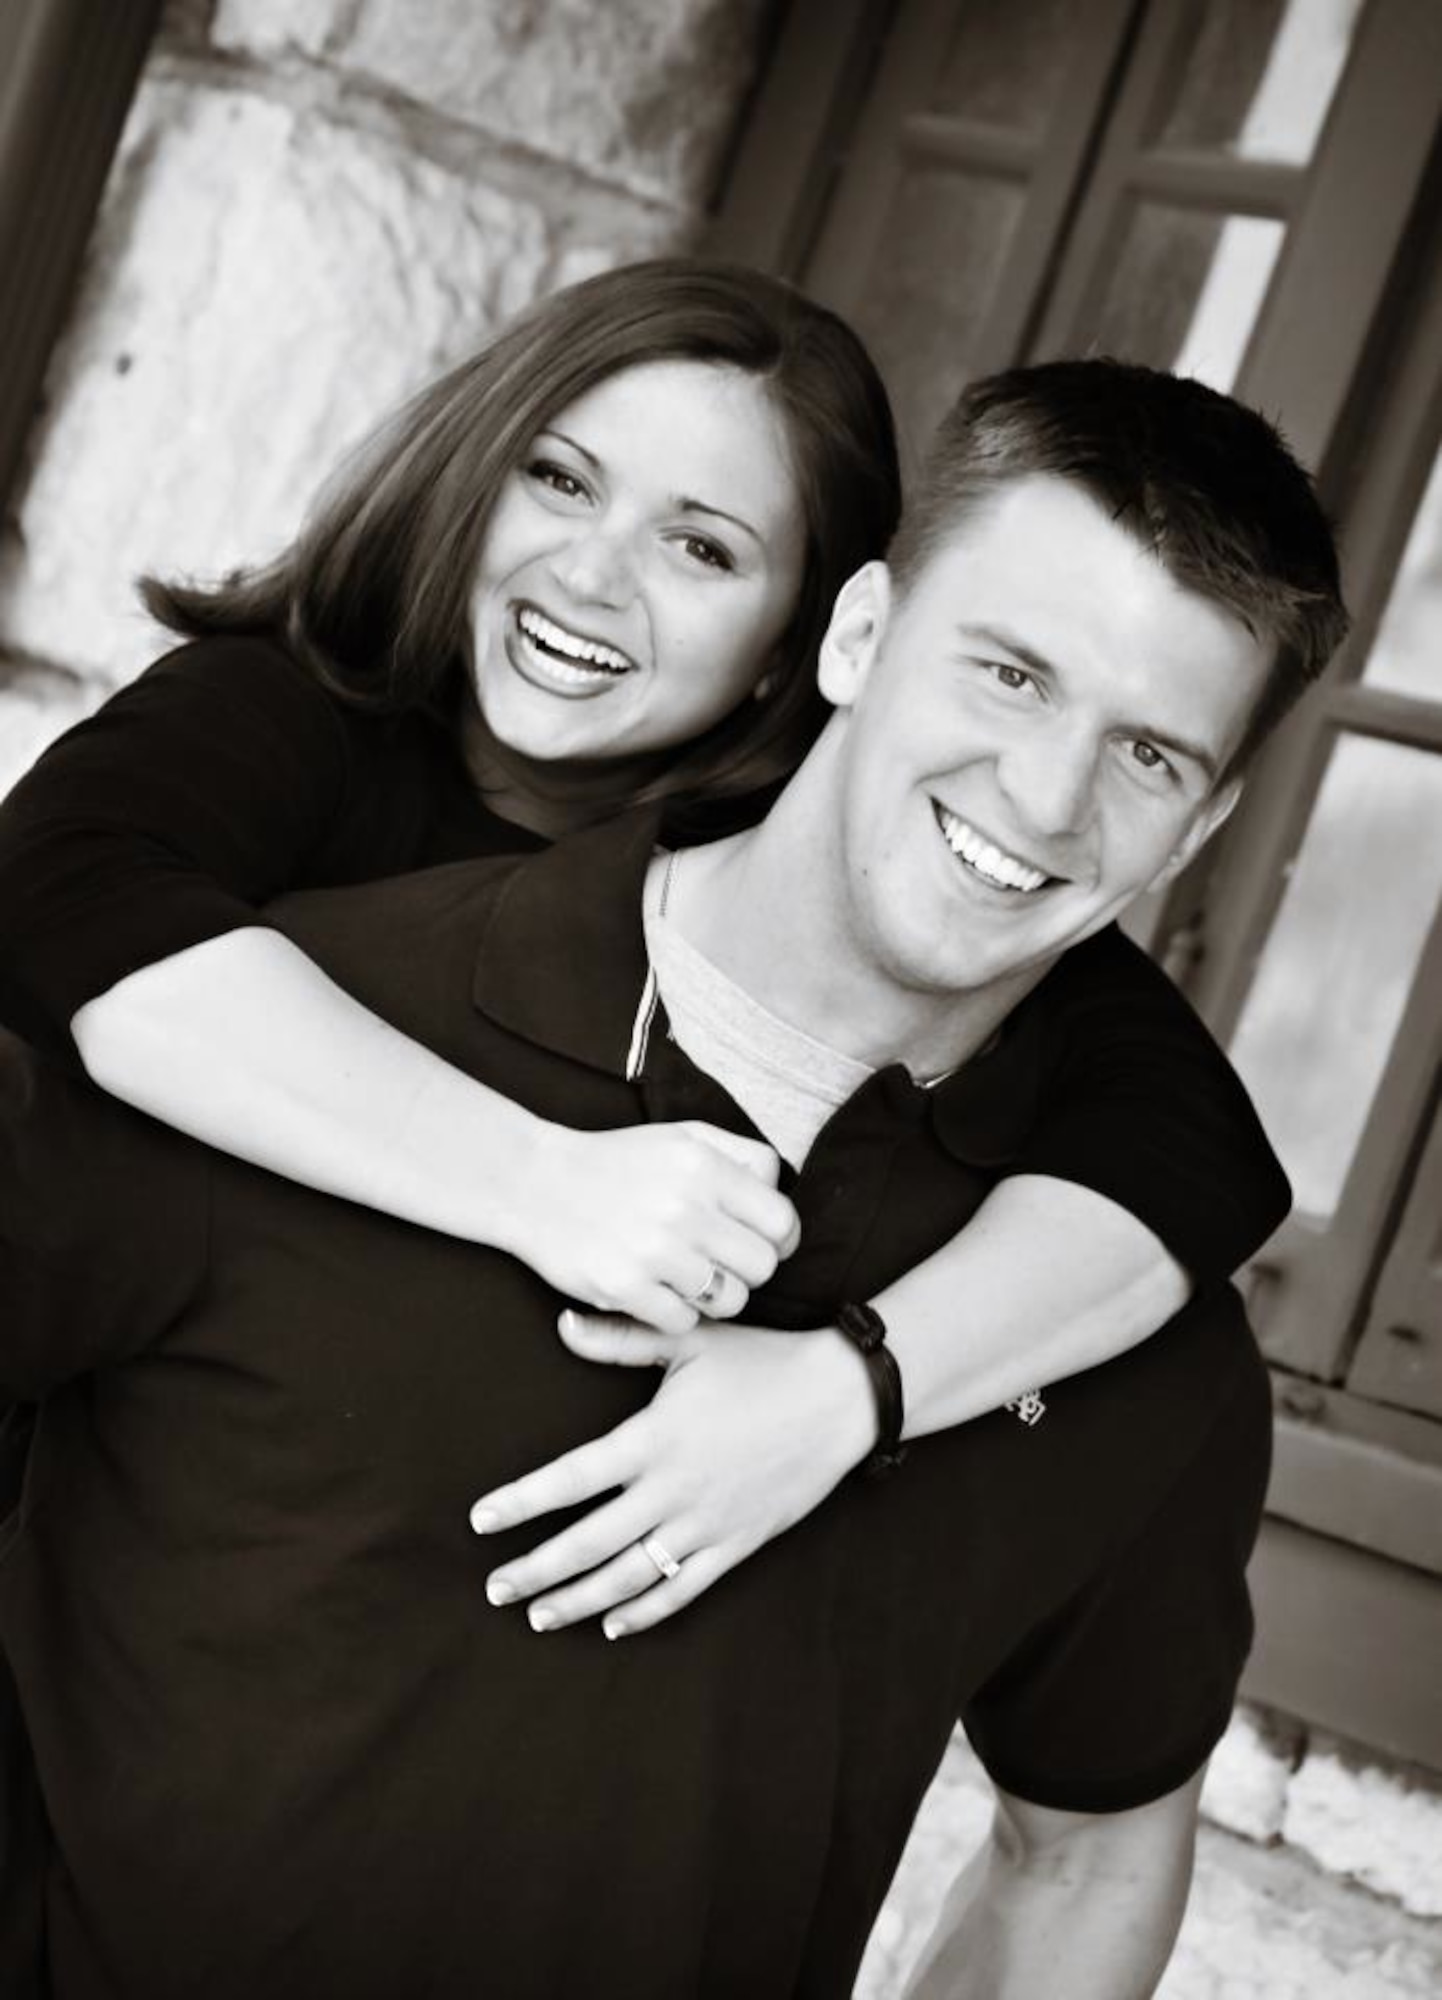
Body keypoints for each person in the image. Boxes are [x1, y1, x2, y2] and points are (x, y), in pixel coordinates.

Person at [0, 357, 1346, 1998]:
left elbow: (1085, 1857)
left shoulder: (1118, 1308)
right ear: (858, 639)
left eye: (1148, 758)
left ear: (1199, 830)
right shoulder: (280, 1036)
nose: (1050, 795)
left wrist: (860, 1387)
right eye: (1005, 674)